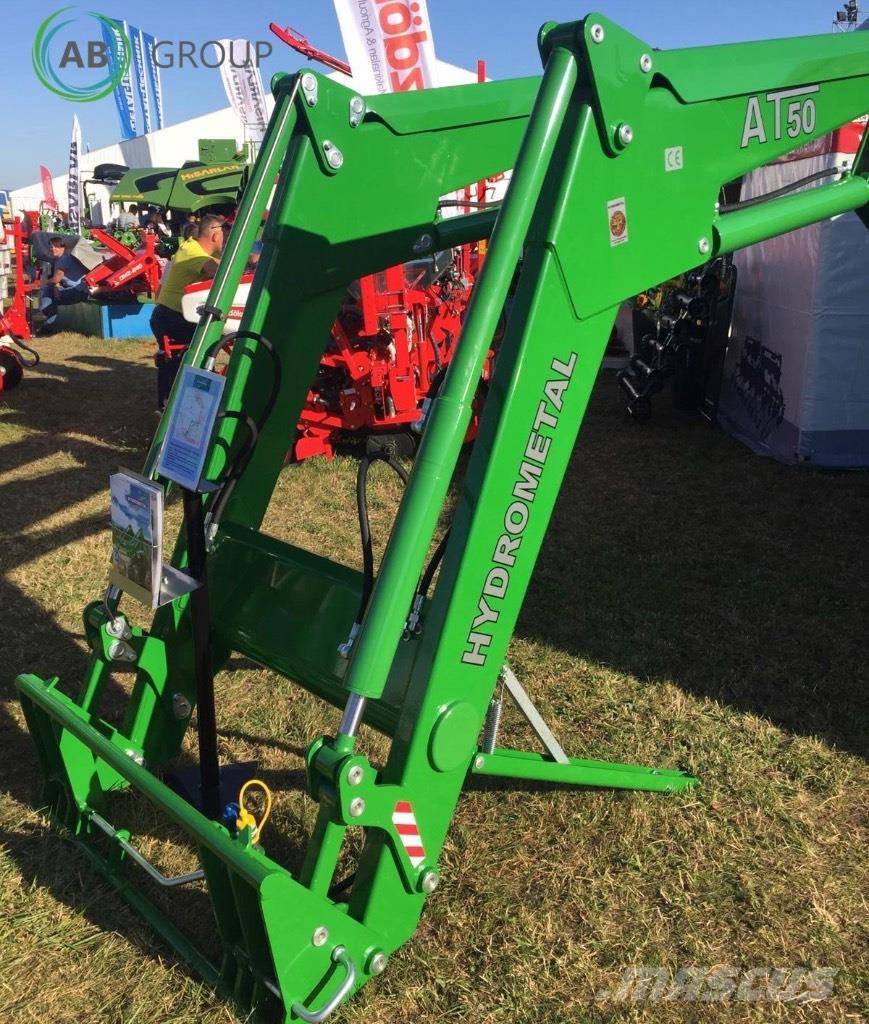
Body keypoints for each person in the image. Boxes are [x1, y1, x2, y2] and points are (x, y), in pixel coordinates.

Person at [150, 213, 226, 409]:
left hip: (170, 314)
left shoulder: (193, 247)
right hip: (173, 317)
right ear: (215, 235)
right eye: (224, 233)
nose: (226, 238)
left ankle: (170, 406)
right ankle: (174, 407)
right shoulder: (193, 251)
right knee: (189, 360)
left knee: (176, 363)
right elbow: (217, 270)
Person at [39, 236, 89, 334]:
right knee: (51, 293)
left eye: (56, 247)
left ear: (63, 248)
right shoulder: (60, 259)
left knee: (47, 289)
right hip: (74, 289)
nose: (53, 249)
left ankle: (48, 322)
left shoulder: (64, 260)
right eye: (51, 247)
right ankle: (48, 322)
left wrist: (44, 283)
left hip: (79, 291)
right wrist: (56, 288)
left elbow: (55, 279)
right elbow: (57, 281)